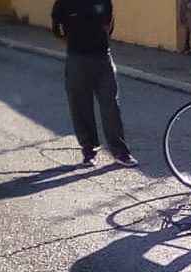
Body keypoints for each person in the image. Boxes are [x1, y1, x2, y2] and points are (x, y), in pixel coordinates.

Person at [51, 0, 137, 167]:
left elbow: (109, 26)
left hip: (103, 58)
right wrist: (76, 43)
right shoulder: (63, 3)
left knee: (110, 106)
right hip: (77, 59)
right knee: (80, 106)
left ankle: (121, 152)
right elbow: (57, 29)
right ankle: (89, 151)